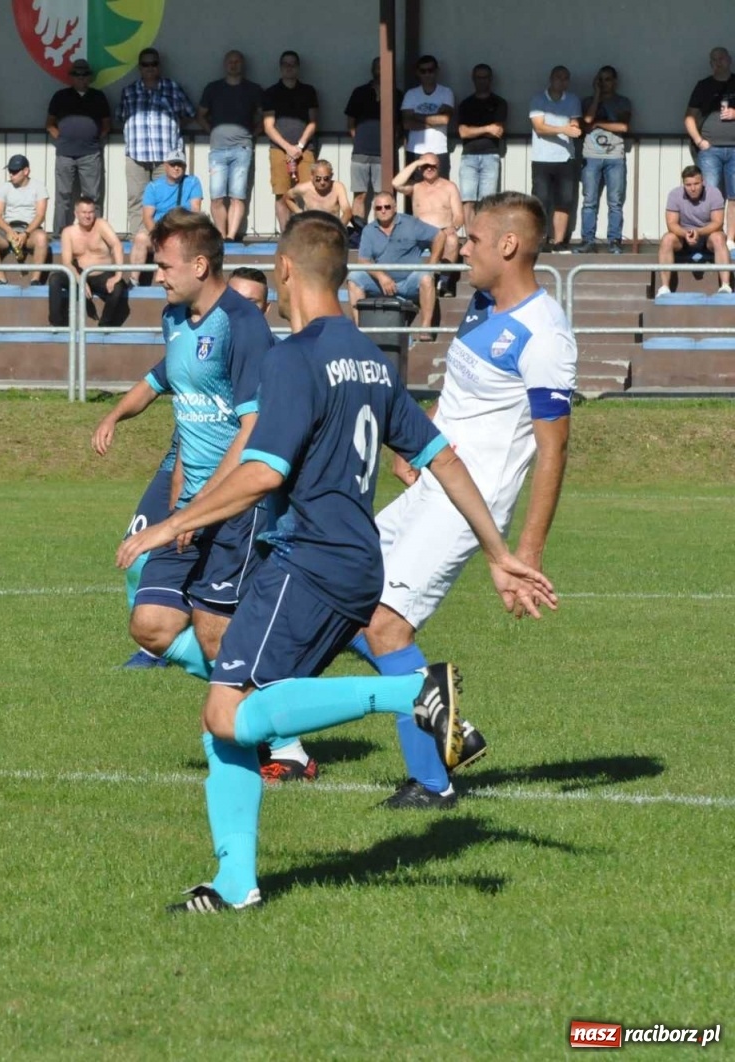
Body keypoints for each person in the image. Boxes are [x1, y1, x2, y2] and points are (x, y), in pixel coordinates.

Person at [117, 210, 557, 912]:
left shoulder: (293, 359)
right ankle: (234, 883)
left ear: (285, 271)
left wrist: (169, 525)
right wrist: (498, 551)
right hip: (357, 565)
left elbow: (261, 472)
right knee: (229, 717)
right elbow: (441, 456)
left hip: (307, 562)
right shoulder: (371, 360)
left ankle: (412, 695)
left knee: (229, 715)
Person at [352, 191, 578, 807]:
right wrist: (414, 441)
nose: (462, 247)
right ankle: (447, 721)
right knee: (341, 592)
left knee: (386, 626)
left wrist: (523, 550)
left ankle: (433, 783)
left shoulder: (545, 335)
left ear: (508, 245)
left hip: (466, 505)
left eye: (472, 239)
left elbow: (553, 450)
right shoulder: (480, 304)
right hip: (433, 481)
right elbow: (462, 397)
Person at [117, 208, 317, 781]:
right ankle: (254, 705)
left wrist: (205, 505)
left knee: (213, 627)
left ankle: (286, 747)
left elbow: (253, 430)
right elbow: (190, 413)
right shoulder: (174, 318)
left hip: (238, 504)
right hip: (192, 497)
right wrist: (181, 492)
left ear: (200, 264)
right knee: (151, 623)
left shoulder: (243, 325)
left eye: (164, 264)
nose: (157, 274)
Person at [118, 48, 196, 236]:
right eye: (145, 64)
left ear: (159, 66)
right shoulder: (129, 91)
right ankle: (140, 241)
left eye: (153, 63)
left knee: (167, 200)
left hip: (166, 157)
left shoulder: (173, 88)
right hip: (136, 156)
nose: (150, 67)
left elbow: (189, 114)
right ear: (139, 67)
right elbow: (120, 117)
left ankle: (166, 239)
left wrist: (173, 127)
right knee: (136, 199)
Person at [346, 192, 445, 336]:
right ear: (374, 211)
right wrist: (381, 276)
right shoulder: (369, 230)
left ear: (394, 207)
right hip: (383, 284)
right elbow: (363, 260)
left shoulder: (410, 223)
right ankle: (360, 329)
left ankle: (425, 329)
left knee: (426, 277)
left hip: (409, 281)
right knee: (354, 277)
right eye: (379, 208)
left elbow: (440, 235)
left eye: (387, 206)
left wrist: (433, 264)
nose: (383, 210)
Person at [197, 50, 260, 242]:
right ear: (225, 65)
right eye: (230, 62)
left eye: (237, 61)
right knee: (216, 197)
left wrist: (252, 135)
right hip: (217, 149)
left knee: (237, 196)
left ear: (243, 65)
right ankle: (221, 235)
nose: (234, 65)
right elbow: (200, 115)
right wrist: (212, 131)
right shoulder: (213, 88)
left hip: (242, 149)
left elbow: (266, 116)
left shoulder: (253, 89)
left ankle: (231, 236)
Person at [46, 58, 111, 231]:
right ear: (71, 77)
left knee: (92, 197)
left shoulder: (98, 96)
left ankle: (95, 234)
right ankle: (60, 235)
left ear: (90, 77)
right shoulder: (60, 96)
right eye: (77, 74)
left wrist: (95, 139)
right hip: (65, 154)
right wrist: (61, 138)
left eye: (84, 74)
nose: (81, 78)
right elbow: (49, 124)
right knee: (63, 196)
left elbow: (106, 124)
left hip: (90, 153)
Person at [262, 51, 320, 232]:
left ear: (298, 67)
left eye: (292, 64)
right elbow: (268, 126)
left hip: (306, 148)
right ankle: (286, 236)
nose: (289, 67)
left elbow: (313, 122)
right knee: (282, 194)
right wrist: (288, 148)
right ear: (280, 68)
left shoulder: (308, 91)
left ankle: (307, 233)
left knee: (310, 192)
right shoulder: (270, 92)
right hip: (279, 149)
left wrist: (300, 146)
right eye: (285, 64)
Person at [51, 196, 129, 328]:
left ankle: (104, 325)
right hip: (79, 274)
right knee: (54, 279)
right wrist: (80, 280)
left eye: (91, 212)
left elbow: (117, 246)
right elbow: (67, 262)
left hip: (102, 274)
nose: (88, 216)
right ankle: (57, 323)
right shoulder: (68, 232)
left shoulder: (101, 225)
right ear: (76, 214)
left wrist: (118, 275)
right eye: (84, 212)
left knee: (118, 287)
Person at [577, 67, 632, 254]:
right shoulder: (587, 101)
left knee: (615, 202)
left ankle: (614, 240)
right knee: (589, 201)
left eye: (607, 79)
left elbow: (623, 126)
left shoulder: (622, 101)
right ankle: (587, 241)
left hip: (615, 156)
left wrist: (600, 124)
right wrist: (597, 95)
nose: (604, 83)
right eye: (600, 80)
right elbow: (587, 121)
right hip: (591, 156)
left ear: (615, 81)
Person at [392, 152, 464, 294]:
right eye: (425, 166)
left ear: (439, 167)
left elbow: (459, 216)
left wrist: (453, 227)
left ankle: (443, 282)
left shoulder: (449, 187)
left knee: (452, 239)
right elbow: (396, 183)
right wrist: (416, 163)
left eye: (433, 166)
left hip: (443, 231)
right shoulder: (416, 187)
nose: (429, 169)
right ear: (420, 168)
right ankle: (406, 282)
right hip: (419, 233)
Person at [656, 165, 733, 296]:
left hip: (707, 237)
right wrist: (686, 234)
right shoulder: (675, 195)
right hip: (683, 237)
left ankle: (725, 286)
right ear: (683, 184)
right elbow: (671, 224)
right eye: (688, 185)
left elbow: (718, 223)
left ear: (702, 181)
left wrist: (699, 232)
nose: (692, 188)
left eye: (696, 184)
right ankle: (664, 287)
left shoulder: (714, 193)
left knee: (719, 237)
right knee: (667, 239)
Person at [529, 66, 582, 251]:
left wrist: (573, 127)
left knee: (564, 200)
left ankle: (559, 241)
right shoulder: (538, 99)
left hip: (566, 158)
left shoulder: (573, 99)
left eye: (566, 78)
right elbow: (540, 128)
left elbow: (575, 124)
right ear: (551, 78)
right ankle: (540, 239)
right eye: (559, 77)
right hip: (542, 158)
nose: (562, 81)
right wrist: (563, 129)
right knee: (540, 199)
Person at [129, 150, 202, 281]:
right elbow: (147, 217)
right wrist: (159, 235)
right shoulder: (153, 187)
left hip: (183, 229)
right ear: (165, 165)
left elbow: (195, 210)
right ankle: (133, 280)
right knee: (140, 238)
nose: (176, 168)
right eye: (173, 164)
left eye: (180, 165)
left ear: (185, 167)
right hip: (160, 231)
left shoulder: (193, 182)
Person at [346, 58, 400, 228]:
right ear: (372, 69)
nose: (381, 70)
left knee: (382, 196)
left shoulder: (397, 94)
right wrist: (360, 141)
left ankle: (382, 231)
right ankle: (358, 233)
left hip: (385, 155)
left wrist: (391, 145)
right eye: (378, 67)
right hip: (360, 152)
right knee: (359, 195)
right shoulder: (359, 92)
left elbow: (400, 125)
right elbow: (350, 123)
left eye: (384, 67)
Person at [0, 155, 49, 284]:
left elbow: (40, 216)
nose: (11, 175)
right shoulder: (4, 187)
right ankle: (1, 279)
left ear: (26, 171)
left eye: (15, 171)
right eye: (10, 171)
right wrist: (9, 231)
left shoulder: (39, 187)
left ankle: (35, 279)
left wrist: (26, 233)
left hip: (30, 228)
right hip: (8, 227)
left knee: (42, 238)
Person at [455, 64, 508, 229]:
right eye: (478, 77)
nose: (482, 81)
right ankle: (471, 239)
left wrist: (474, 130)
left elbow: (498, 130)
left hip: (491, 156)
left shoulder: (499, 103)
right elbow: (463, 132)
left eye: (485, 77)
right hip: (468, 156)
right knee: (468, 200)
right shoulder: (466, 104)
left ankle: (483, 237)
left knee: (488, 202)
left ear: (490, 79)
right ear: (473, 79)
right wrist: (487, 128)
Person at [684, 47, 735, 200]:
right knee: (710, 196)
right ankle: (715, 225)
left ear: (729, 60)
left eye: (721, 58)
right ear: (710, 63)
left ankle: (732, 226)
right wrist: (699, 141)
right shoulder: (703, 86)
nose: (718, 62)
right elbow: (689, 117)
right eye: (714, 59)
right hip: (710, 149)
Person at [401, 55, 453, 176]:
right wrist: (434, 121)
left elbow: (444, 119)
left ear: (437, 71)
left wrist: (417, 115)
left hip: (439, 150)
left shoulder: (446, 92)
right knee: (414, 189)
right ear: (418, 73)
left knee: (440, 190)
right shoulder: (411, 94)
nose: (427, 74)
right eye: (423, 71)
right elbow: (407, 123)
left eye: (431, 70)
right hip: (414, 150)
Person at [288, 159, 352, 227]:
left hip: (331, 228)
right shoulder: (304, 188)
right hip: (311, 229)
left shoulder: (338, 187)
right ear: (312, 176)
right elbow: (287, 198)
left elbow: (347, 212)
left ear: (331, 176)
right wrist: (299, 213)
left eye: (326, 178)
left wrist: (338, 229)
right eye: (318, 178)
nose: (322, 182)